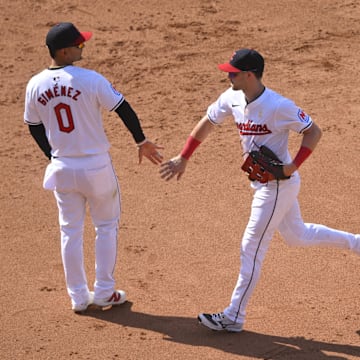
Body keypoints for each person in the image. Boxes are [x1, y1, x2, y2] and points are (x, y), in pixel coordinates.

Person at [160, 48, 360, 332]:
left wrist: (292, 166)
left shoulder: (278, 106)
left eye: (233, 72)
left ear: (249, 75)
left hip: (277, 185)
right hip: (264, 184)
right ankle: (356, 243)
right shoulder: (232, 97)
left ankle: (233, 316)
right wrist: (184, 157)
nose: (228, 75)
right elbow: (208, 123)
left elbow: (313, 131)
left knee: (250, 247)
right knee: (298, 236)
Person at [24, 22, 163, 313]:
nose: (82, 48)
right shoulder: (90, 79)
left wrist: (52, 155)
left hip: (62, 168)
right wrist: (141, 141)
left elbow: (33, 126)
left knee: (70, 231)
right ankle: (104, 292)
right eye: (78, 45)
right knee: (106, 227)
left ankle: (77, 298)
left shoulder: (35, 84)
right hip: (96, 168)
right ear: (63, 51)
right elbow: (123, 108)